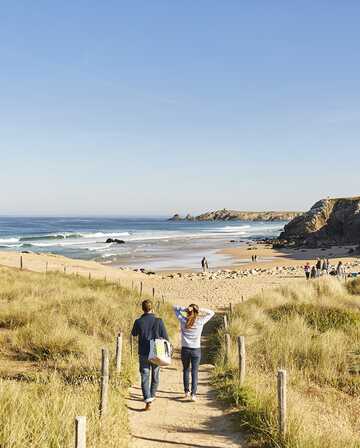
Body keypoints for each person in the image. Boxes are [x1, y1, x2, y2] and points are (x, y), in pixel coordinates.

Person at [131, 299, 169, 411]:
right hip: (157, 351)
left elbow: (133, 334)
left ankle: (147, 399)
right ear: (152, 308)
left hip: (143, 352)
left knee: (144, 376)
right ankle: (152, 396)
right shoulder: (159, 321)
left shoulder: (138, 321)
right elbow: (166, 337)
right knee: (155, 376)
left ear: (142, 309)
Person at [173, 304, 214, 401]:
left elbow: (175, 308)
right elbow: (212, 313)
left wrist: (185, 309)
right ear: (196, 312)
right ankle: (193, 394)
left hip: (185, 349)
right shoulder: (200, 322)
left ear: (188, 312)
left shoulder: (183, 321)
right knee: (194, 372)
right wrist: (199, 309)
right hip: (196, 350)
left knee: (186, 370)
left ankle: (186, 392)